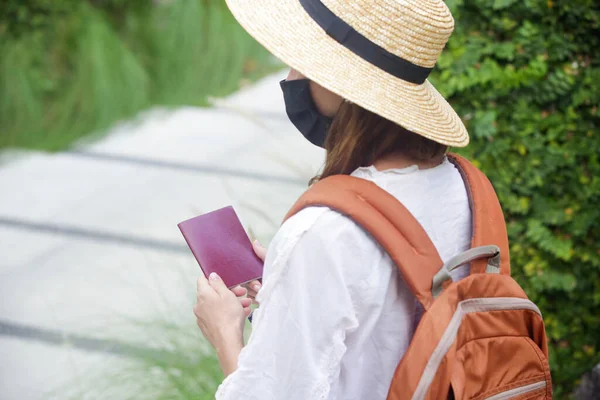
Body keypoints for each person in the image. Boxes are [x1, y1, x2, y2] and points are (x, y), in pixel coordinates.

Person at [193, 0, 472, 398]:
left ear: (342, 86)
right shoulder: (463, 186)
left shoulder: (323, 233)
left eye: (303, 61)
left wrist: (224, 333)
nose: (291, 77)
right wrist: (287, 287)